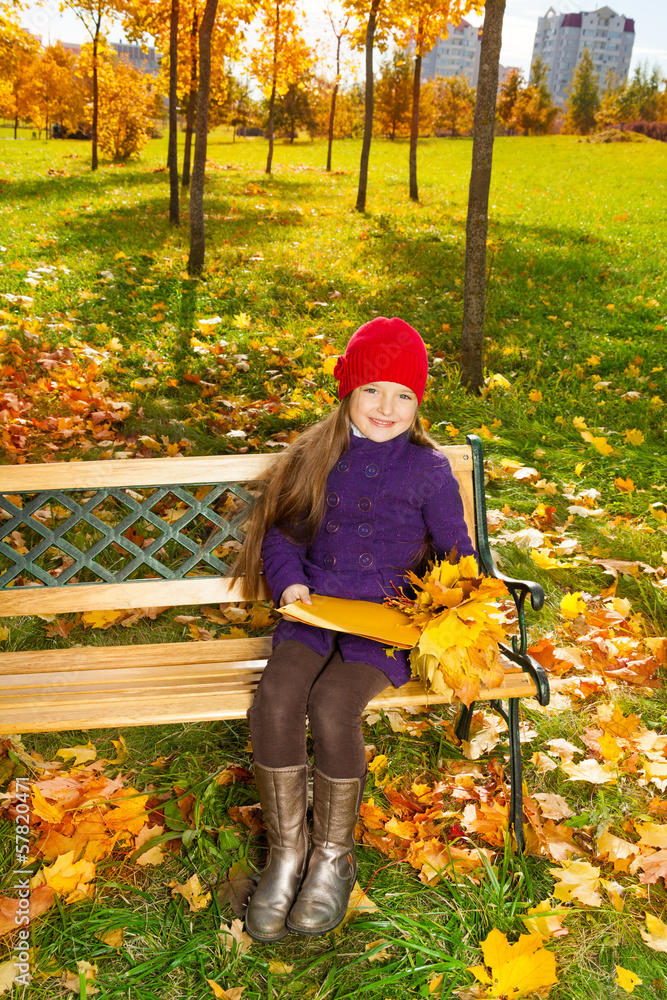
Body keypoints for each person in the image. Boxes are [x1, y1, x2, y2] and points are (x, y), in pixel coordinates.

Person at [233, 316, 475, 942]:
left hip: (385, 625)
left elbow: (457, 556)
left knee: (334, 704)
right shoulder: (317, 455)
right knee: (279, 698)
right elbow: (282, 535)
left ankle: (332, 857)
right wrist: (290, 584)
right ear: (348, 392)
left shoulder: (427, 471)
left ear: (418, 404)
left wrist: (446, 612)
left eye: (403, 394)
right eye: (372, 390)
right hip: (314, 614)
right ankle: (288, 852)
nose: (386, 407)